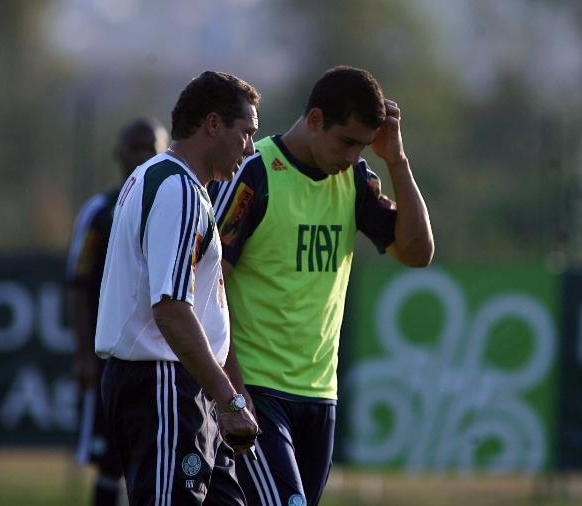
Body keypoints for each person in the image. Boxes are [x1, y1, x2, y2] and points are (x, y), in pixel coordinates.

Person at [209, 65, 434, 506]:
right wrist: (232, 393)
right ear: (315, 120)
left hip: (319, 395)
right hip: (257, 390)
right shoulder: (256, 175)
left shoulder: (353, 180)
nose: (352, 156)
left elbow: (417, 252)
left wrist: (396, 160)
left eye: (362, 145)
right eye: (346, 141)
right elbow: (207, 286)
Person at [95, 71, 262, 506]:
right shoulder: (178, 189)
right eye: (245, 134)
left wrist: (230, 389)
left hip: (181, 387)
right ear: (211, 124)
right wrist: (228, 400)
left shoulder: (162, 179)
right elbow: (170, 309)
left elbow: (205, 306)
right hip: (163, 386)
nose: (249, 150)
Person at [67, 117, 169, 506]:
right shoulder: (101, 211)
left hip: (160, 357)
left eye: (151, 147)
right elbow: (76, 284)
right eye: (136, 147)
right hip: (109, 358)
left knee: (158, 460)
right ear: (119, 154)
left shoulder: (175, 206)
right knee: (110, 461)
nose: (143, 155)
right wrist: (82, 354)